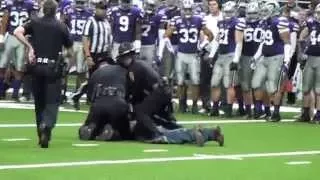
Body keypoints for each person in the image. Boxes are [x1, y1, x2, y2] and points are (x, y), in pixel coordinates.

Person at [13, 0, 73, 148]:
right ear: (55, 10)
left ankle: (41, 132)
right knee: (51, 102)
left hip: (36, 66)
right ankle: (46, 125)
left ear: (42, 9)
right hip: (53, 68)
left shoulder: (34, 22)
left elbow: (17, 32)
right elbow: (70, 51)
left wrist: (30, 47)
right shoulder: (61, 26)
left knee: (39, 102)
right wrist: (65, 57)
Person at [163, 0, 214, 114]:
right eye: (185, 9)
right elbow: (166, 35)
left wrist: (202, 46)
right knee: (180, 81)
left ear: (192, 9)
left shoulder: (198, 20)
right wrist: (171, 48)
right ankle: (182, 104)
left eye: (189, 9)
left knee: (195, 81)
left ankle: (195, 105)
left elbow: (210, 35)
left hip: (193, 55)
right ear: (182, 10)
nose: (187, 11)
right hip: (181, 54)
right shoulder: (177, 20)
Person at [251, 0, 291, 122]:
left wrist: (286, 60)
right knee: (256, 83)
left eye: (266, 10)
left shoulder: (281, 21)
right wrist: (255, 57)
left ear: (274, 11)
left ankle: (276, 113)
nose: (263, 13)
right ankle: (259, 110)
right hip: (264, 57)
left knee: (273, 86)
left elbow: (287, 42)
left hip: (276, 57)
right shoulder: (265, 22)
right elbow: (263, 42)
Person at [71, 0, 113, 109]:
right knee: (94, 79)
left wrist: (109, 52)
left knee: (102, 77)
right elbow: (85, 39)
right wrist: (88, 56)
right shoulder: (90, 21)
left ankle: (93, 99)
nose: (102, 11)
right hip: (94, 53)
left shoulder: (106, 22)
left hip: (104, 54)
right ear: (96, 9)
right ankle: (79, 96)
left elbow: (108, 38)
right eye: (100, 9)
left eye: (104, 9)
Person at [208, 1, 245, 117]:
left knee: (228, 84)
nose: (227, 14)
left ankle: (229, 110)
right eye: (226, 11)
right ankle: (214, 108)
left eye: (230, 12)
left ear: (234, 12)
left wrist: (236, 59)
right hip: (221, 56)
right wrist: (211, 55)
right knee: (214, 83)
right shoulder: (221, 22)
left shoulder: (237, 23)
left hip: (231, 55)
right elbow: (217, 40)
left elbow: (239, 42)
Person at [78, 63, 132, 141]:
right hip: (117, 103)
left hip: (98, 104)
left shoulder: (97, 72)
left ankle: (91, 127)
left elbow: (90, 96)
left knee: (96, 120)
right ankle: (111, 130)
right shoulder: (128, 72)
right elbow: (131, 96)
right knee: (125, 132)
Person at [0, 0, 39, 101]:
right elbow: (5, 20)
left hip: (23, 37)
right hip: (10, 36)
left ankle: (15, 93)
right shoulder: (8, 3)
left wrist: (30, 35)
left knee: (20, 67)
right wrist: (1, 36)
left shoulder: (30, 4)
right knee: (2, 65)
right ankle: (1, 92)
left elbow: (34, 20)